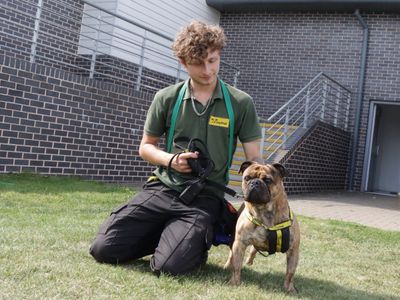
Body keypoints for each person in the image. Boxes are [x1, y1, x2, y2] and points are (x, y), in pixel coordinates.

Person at [89, 21, 263, 275]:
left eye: (213, 60)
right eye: (198, 63)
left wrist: (263, 193)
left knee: (169, 267)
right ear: (183, 62)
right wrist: (171, 160)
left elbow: (255, 158)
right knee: (103, 249)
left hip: (205, 196)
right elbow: (146, 147)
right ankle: (172, 236)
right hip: (163, 187)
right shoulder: (166, 98)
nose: (207, 70)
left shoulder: (241, 103)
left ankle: (190, 241)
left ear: (218, 56)